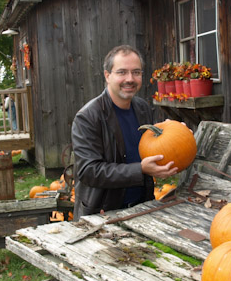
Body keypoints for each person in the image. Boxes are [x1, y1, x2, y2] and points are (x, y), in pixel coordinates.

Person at [71, 45, 178, 220]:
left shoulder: (142, 108)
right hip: (103, 213)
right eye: (122, 72)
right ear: (107, 75)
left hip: (142, 208)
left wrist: (176, 133)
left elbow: (154, 147)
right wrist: (140, 169)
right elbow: (88, 171)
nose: (130, 79)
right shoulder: (88, 117)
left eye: (136, 72)